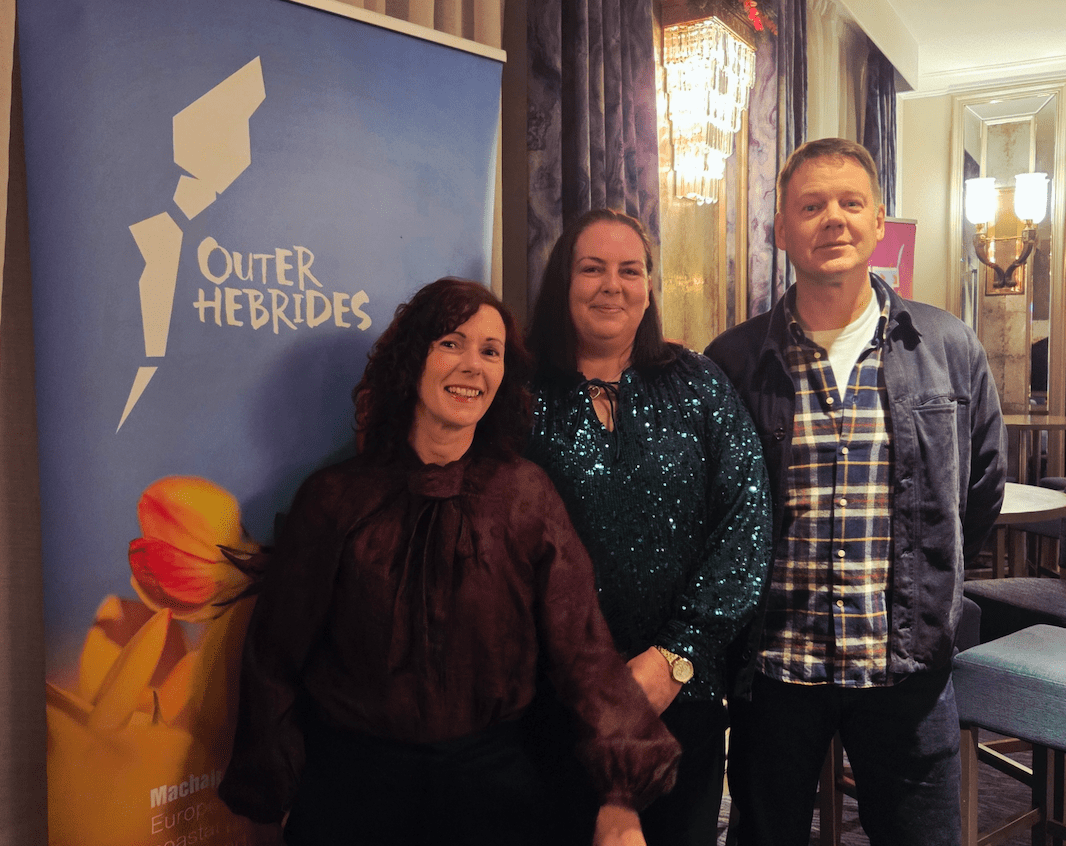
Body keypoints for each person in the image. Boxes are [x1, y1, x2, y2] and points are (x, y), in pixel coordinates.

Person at [218, 277, 681, 846]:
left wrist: (620, 798)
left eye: (490, 351)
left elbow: (584, 650)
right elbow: (274, 658)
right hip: (352, 796)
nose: (472, 366)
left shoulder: (525, 496)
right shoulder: (333, 500)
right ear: (414, 358)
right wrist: (279, 790)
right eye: (451, 344)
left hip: (492, 799)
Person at [704, 137, 1007, 846]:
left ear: (878, 223)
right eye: (810, 206)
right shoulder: (734, 360)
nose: (831, 219)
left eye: (849, 203)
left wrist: (932, 586)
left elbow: (979, 492)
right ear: (781, 230)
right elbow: (716, 512)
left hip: (904, 666)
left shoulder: (947, 345)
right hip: (776, 667)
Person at [525, 209, 772, 846]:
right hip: (549, 700)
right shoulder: (518, 395)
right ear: (562, 283)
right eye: (592, 268)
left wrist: (678, 656)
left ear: (649, 288)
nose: (613, 285)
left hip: (680, 696)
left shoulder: (699, 383)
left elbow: (745, 521)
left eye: (629, 270)